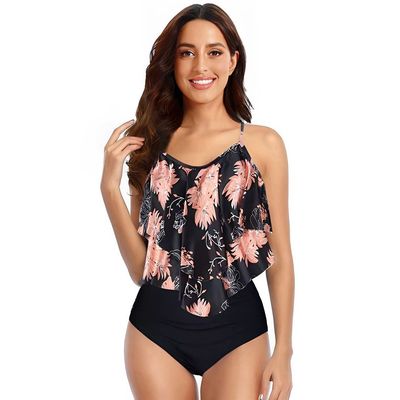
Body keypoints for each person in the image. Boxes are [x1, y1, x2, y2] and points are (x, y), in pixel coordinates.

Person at [100, 3, 294, 399]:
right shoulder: (148, 145)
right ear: (172, 63)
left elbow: (280, 259)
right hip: (155, 332)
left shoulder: (263, 145)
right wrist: (108, 190)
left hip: (239, 332)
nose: (201, 65)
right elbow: (140, 269)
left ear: (233, 60)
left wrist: (285, 350)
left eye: (214, 52)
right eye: (187, 52)